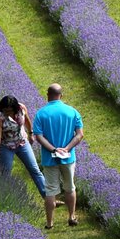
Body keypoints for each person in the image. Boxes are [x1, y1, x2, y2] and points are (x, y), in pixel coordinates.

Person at [32, 84, 84, 229]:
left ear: (47, 94)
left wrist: (53, 149)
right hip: (68, 157)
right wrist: (66, 148)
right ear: (61, 95)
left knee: (50, 191)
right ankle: (71, 216)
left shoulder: (41, 114)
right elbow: (80, 135)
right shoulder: (72, 112)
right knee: (70, 187)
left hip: (49, 158)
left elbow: (38, 136)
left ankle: (49, 223)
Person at [0, 95, 47, 199]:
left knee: (35, 170)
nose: (7, 113)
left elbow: (27, 120)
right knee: (5, 174)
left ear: (14, 108)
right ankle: (4, 199)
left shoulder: (21, 108)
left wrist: (31, 133)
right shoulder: (0, 117)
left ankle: (48, 197)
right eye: (5, 110)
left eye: (9, 110)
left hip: (22, 143)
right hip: (6, 147)